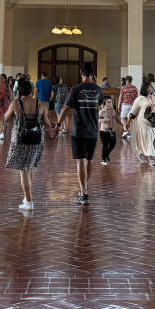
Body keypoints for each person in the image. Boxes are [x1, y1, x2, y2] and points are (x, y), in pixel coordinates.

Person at [58, 61, 104, 204]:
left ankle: (83, 192)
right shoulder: (98, 90)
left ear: (81, 73)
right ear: (93, 75)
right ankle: (84, 186)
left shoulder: (76, 89)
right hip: (93, 130)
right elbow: (100, 104)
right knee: (89, 159)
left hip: (78, 131)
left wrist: (58, 124)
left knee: (80, 160)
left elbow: (66, 108)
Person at [4, 77, 43, 211]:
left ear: (20, 91)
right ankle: (27, 197)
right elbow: (47, 122)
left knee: (23, 170)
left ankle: (29, 202)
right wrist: (54, 130)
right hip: (36, 139)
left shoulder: (16, 103)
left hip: (21, 139)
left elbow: (6, 117)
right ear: (31, 90)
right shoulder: (39, 103)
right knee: (30, 167)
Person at [127, 82, 155, 164]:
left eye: (150, 87)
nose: (150, 88)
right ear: (144, 89)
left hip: (152, 121)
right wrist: (128, 123)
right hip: (143, 121)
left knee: (150, 139)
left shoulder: (153, 97)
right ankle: (151, 159)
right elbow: (133, 112)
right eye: (148, 87)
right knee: (148, 139)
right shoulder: (140, 99)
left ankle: (140, 153)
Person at [98, 96, 120, 164]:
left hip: (111, 130)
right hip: (104, 130)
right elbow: (97, 120)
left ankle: (106, 154)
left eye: (110, 102)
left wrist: (121, 123)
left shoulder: (112, 110)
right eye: (108, 102)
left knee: (113, 143)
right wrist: (104, 120)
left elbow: (115, 117)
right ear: (104, 103)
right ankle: (103, 158)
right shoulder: (101, 111)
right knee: (105, 144)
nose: (109, 104)